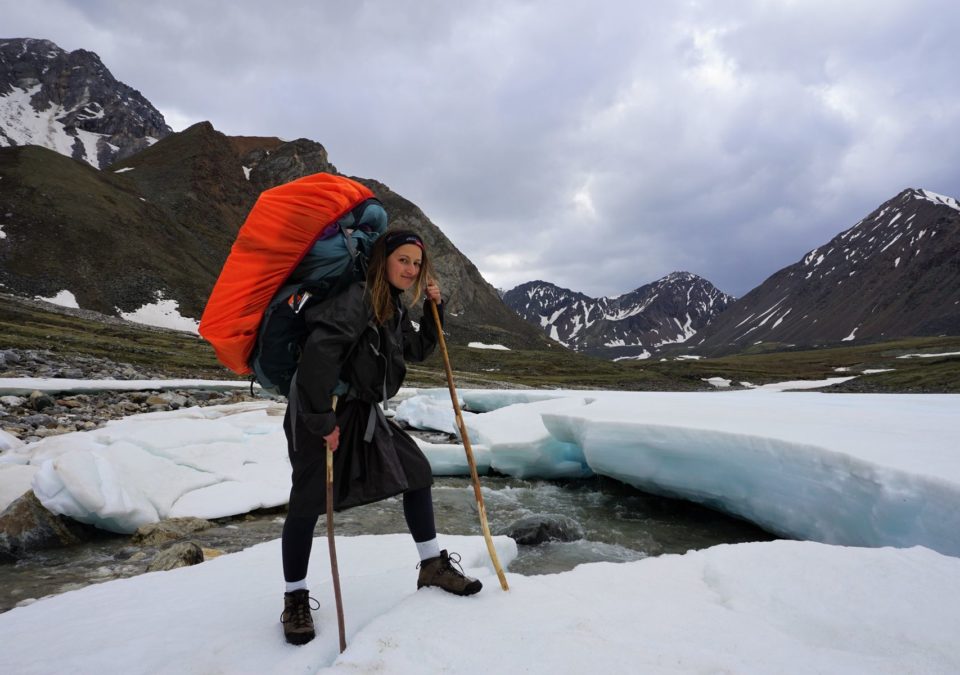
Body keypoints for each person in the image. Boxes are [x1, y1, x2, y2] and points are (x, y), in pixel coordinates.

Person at [279, 229, 482, 646]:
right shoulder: (357, 298)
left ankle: (431, 566)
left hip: (362, 411)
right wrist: (321, 421)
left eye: (416, 263)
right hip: (325, 408)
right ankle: (295, 598)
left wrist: (434, 310)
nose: (410, 269)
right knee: (307, 501)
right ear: (382, 260)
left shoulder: (390, 304)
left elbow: (415, 349)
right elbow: (319, 356)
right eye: (402, 260)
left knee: (416, 472)